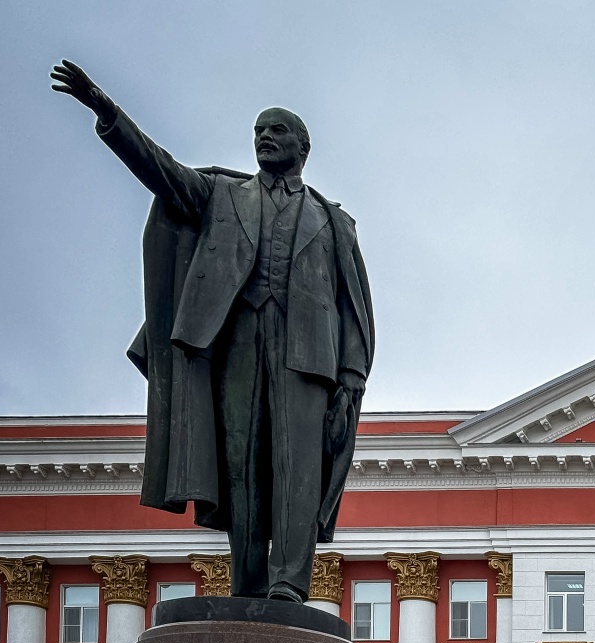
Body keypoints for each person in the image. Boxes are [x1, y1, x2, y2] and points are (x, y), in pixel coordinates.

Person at [51, 60, 374, 603]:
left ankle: (288, 583)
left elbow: (354, 307)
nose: (264, 137)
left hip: (308, 357)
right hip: (236, 346)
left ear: (302, 145)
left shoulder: (334, 221)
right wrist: (108, 113)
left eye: (276, 130)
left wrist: (352, 377)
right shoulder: (222, 195)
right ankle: (248, 584)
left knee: (297, 471)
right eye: (258, 130)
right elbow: (162, 170)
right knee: (241, 468)